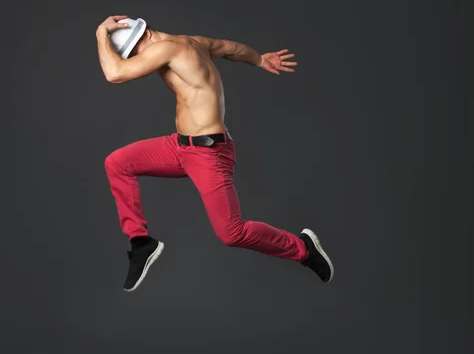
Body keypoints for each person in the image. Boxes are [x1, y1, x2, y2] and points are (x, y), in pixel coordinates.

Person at [95, 15, 334, 292]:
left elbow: (115, 74)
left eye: (136, 51)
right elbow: (228, 47)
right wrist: (259, 59)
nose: (139, 58)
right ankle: (140, 243)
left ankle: (303, 250)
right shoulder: (194, 42)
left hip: (209, 153)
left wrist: (102, 33)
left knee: (232, 233)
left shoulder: (167, 48)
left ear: (146, 33)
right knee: (117, 163)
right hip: (181, 146)